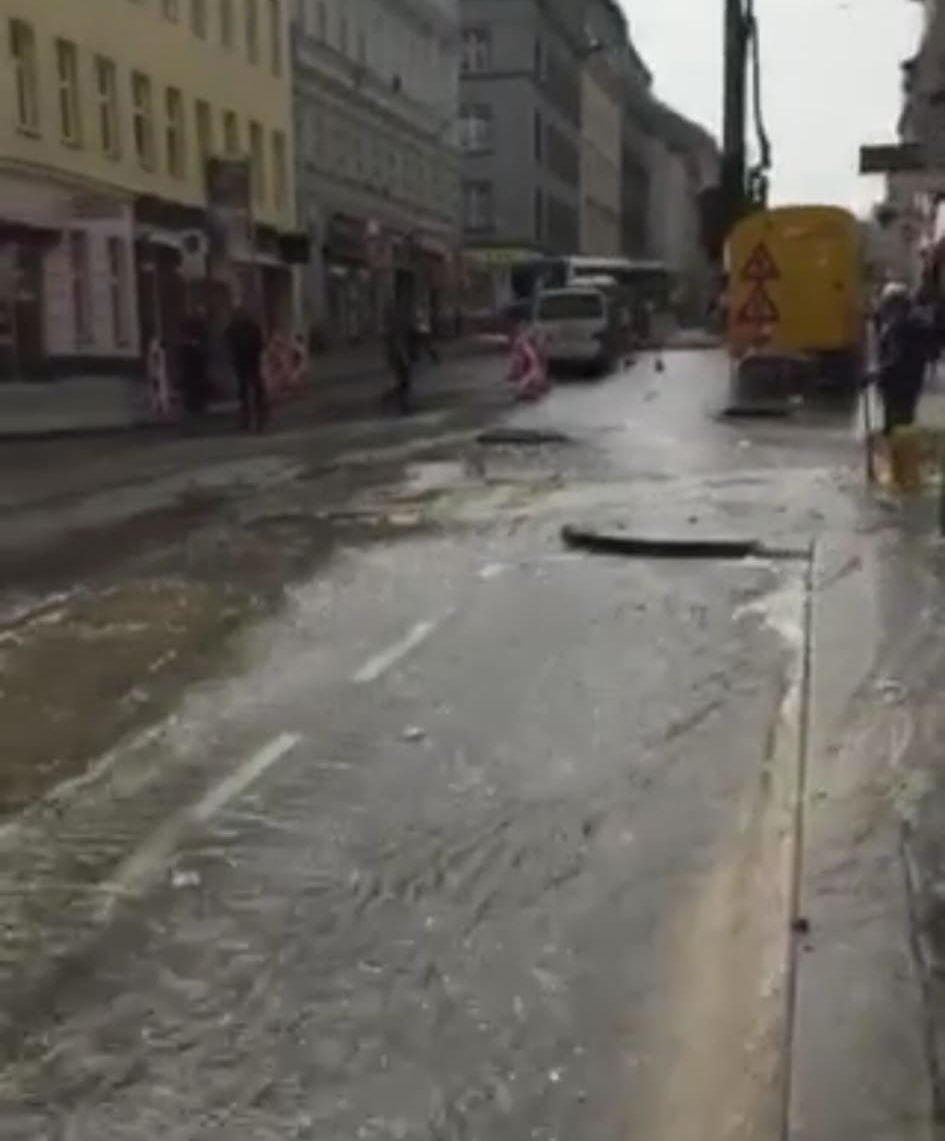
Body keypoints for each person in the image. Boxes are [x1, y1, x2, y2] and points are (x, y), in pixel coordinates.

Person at [877, 284, 932, 436]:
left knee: (897, 424)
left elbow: (897, 357)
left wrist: (877, 373)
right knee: (904, 422)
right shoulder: (912, 322)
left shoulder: (900, 325)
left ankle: (899, 454)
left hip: (898, 384)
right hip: (909, 382)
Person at [225, 304, 267, 432]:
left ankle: (249, 418)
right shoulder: (250, 327)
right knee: (253, 387)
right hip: (249, 360)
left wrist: (233, 354)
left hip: (244, 361)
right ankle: (255, 417)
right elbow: (260, 342)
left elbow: (228, 341)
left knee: (245, 388)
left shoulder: (234, 328)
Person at [176, 313, 209, 420]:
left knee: (193, 389)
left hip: (192, 373)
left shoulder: (187, 344)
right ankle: (194, 406)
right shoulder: (190, 345)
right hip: (193, 373)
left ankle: (194, 406)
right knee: (193, 389)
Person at [384, 301, 413, 414]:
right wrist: (405, 358)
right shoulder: (396, 329)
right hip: (399, 361)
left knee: (400, 384)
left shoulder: (391, 329)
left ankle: (402, 404)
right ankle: (403, 406)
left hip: (396, 360)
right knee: (402, 384)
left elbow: (393, 346)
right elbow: (398, 345)